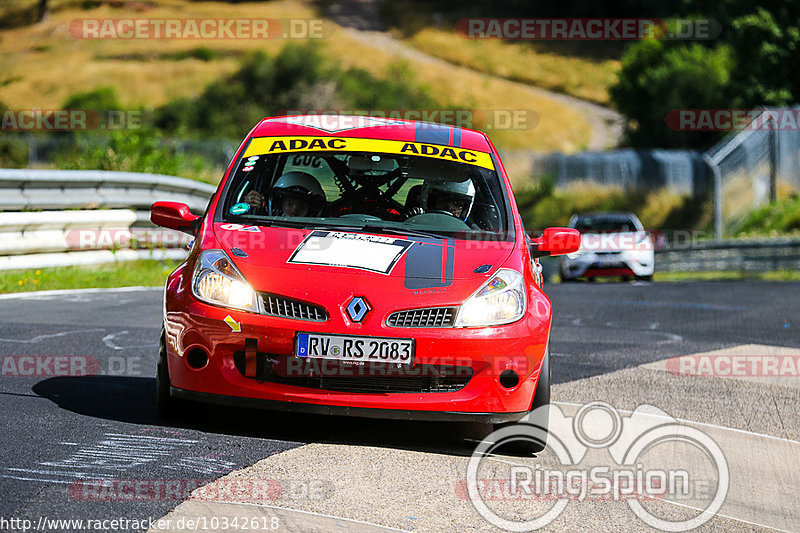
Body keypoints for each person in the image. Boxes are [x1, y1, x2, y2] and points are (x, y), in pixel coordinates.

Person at [243, 171, 326, 217]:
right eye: (289, 204)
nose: (294, 211)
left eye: (302, 207)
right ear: (278, 204)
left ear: (311, 210)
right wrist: (247, 207)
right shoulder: (262, 222)